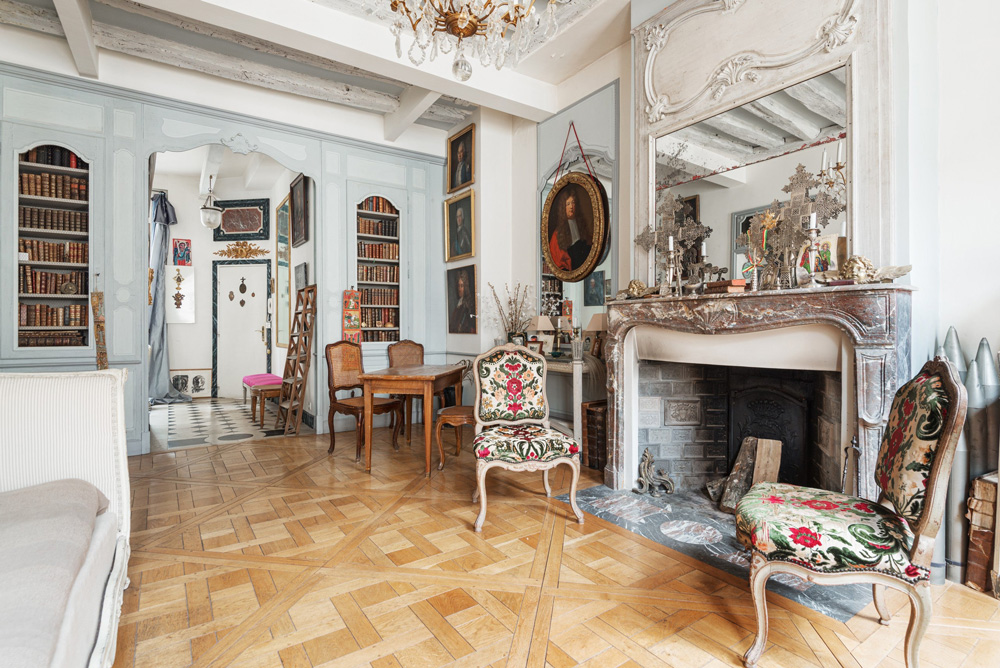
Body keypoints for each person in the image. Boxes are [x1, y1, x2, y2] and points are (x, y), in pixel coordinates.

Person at [549, 192, 591, 272]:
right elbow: (557, 258)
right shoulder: (558, 232)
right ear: (563, 208)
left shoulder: (581, 225)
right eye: (568, 204)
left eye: (573, 203)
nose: (571, 206)